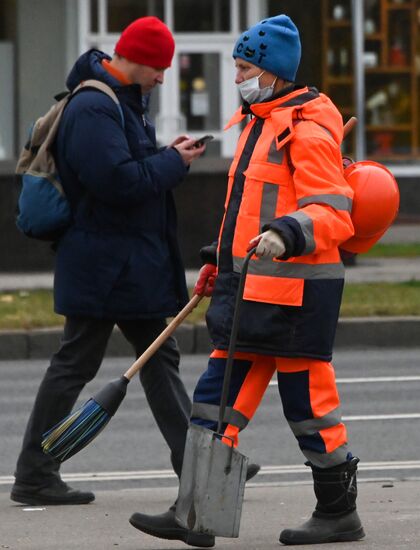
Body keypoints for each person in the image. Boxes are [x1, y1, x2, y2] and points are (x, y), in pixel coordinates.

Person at [129, 14, 365, 547]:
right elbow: (246, 209)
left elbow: (333, 212)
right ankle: (196, 515)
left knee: (309, 411)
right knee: (213, 404)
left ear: (273, 72)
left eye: (243, 67)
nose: (237, 76)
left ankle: (338, 513)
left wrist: (287, 233)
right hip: (250, 289)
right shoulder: (261, 121)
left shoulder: (305, 128)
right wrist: (220, 260)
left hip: (297, 296)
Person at [11, 16, 208, 509]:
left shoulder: (120, 103)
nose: (163, 77)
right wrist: (172, 164)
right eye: (159, 68)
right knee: (80, 361)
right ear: (136, 59)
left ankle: (196, 463)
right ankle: (34, 472)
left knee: (155, 356)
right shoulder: (95, 106)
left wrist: (165, 155)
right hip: (107, 262)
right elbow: (116, 182)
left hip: (120, 261)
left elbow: (125, 168)